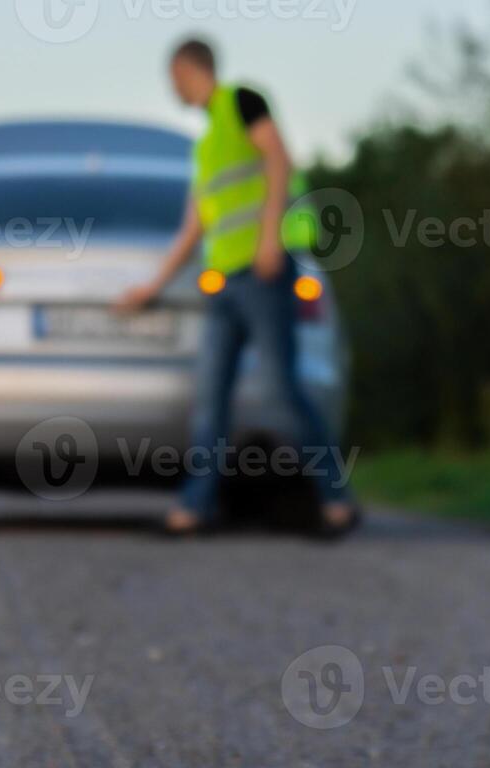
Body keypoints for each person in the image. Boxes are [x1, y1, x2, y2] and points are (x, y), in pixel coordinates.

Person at [115, 37, 357, 536]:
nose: (172, 89)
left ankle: (336, 498)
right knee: (211, 398)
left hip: (263, 273)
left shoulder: (243, 101)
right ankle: (195, 505)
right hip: (224, 284)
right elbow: (195, 225)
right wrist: (152, 286)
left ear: (187, 69)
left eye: (173, 78)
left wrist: (270, 238)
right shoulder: (205, 148)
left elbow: (279, 160)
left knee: (281, 388)